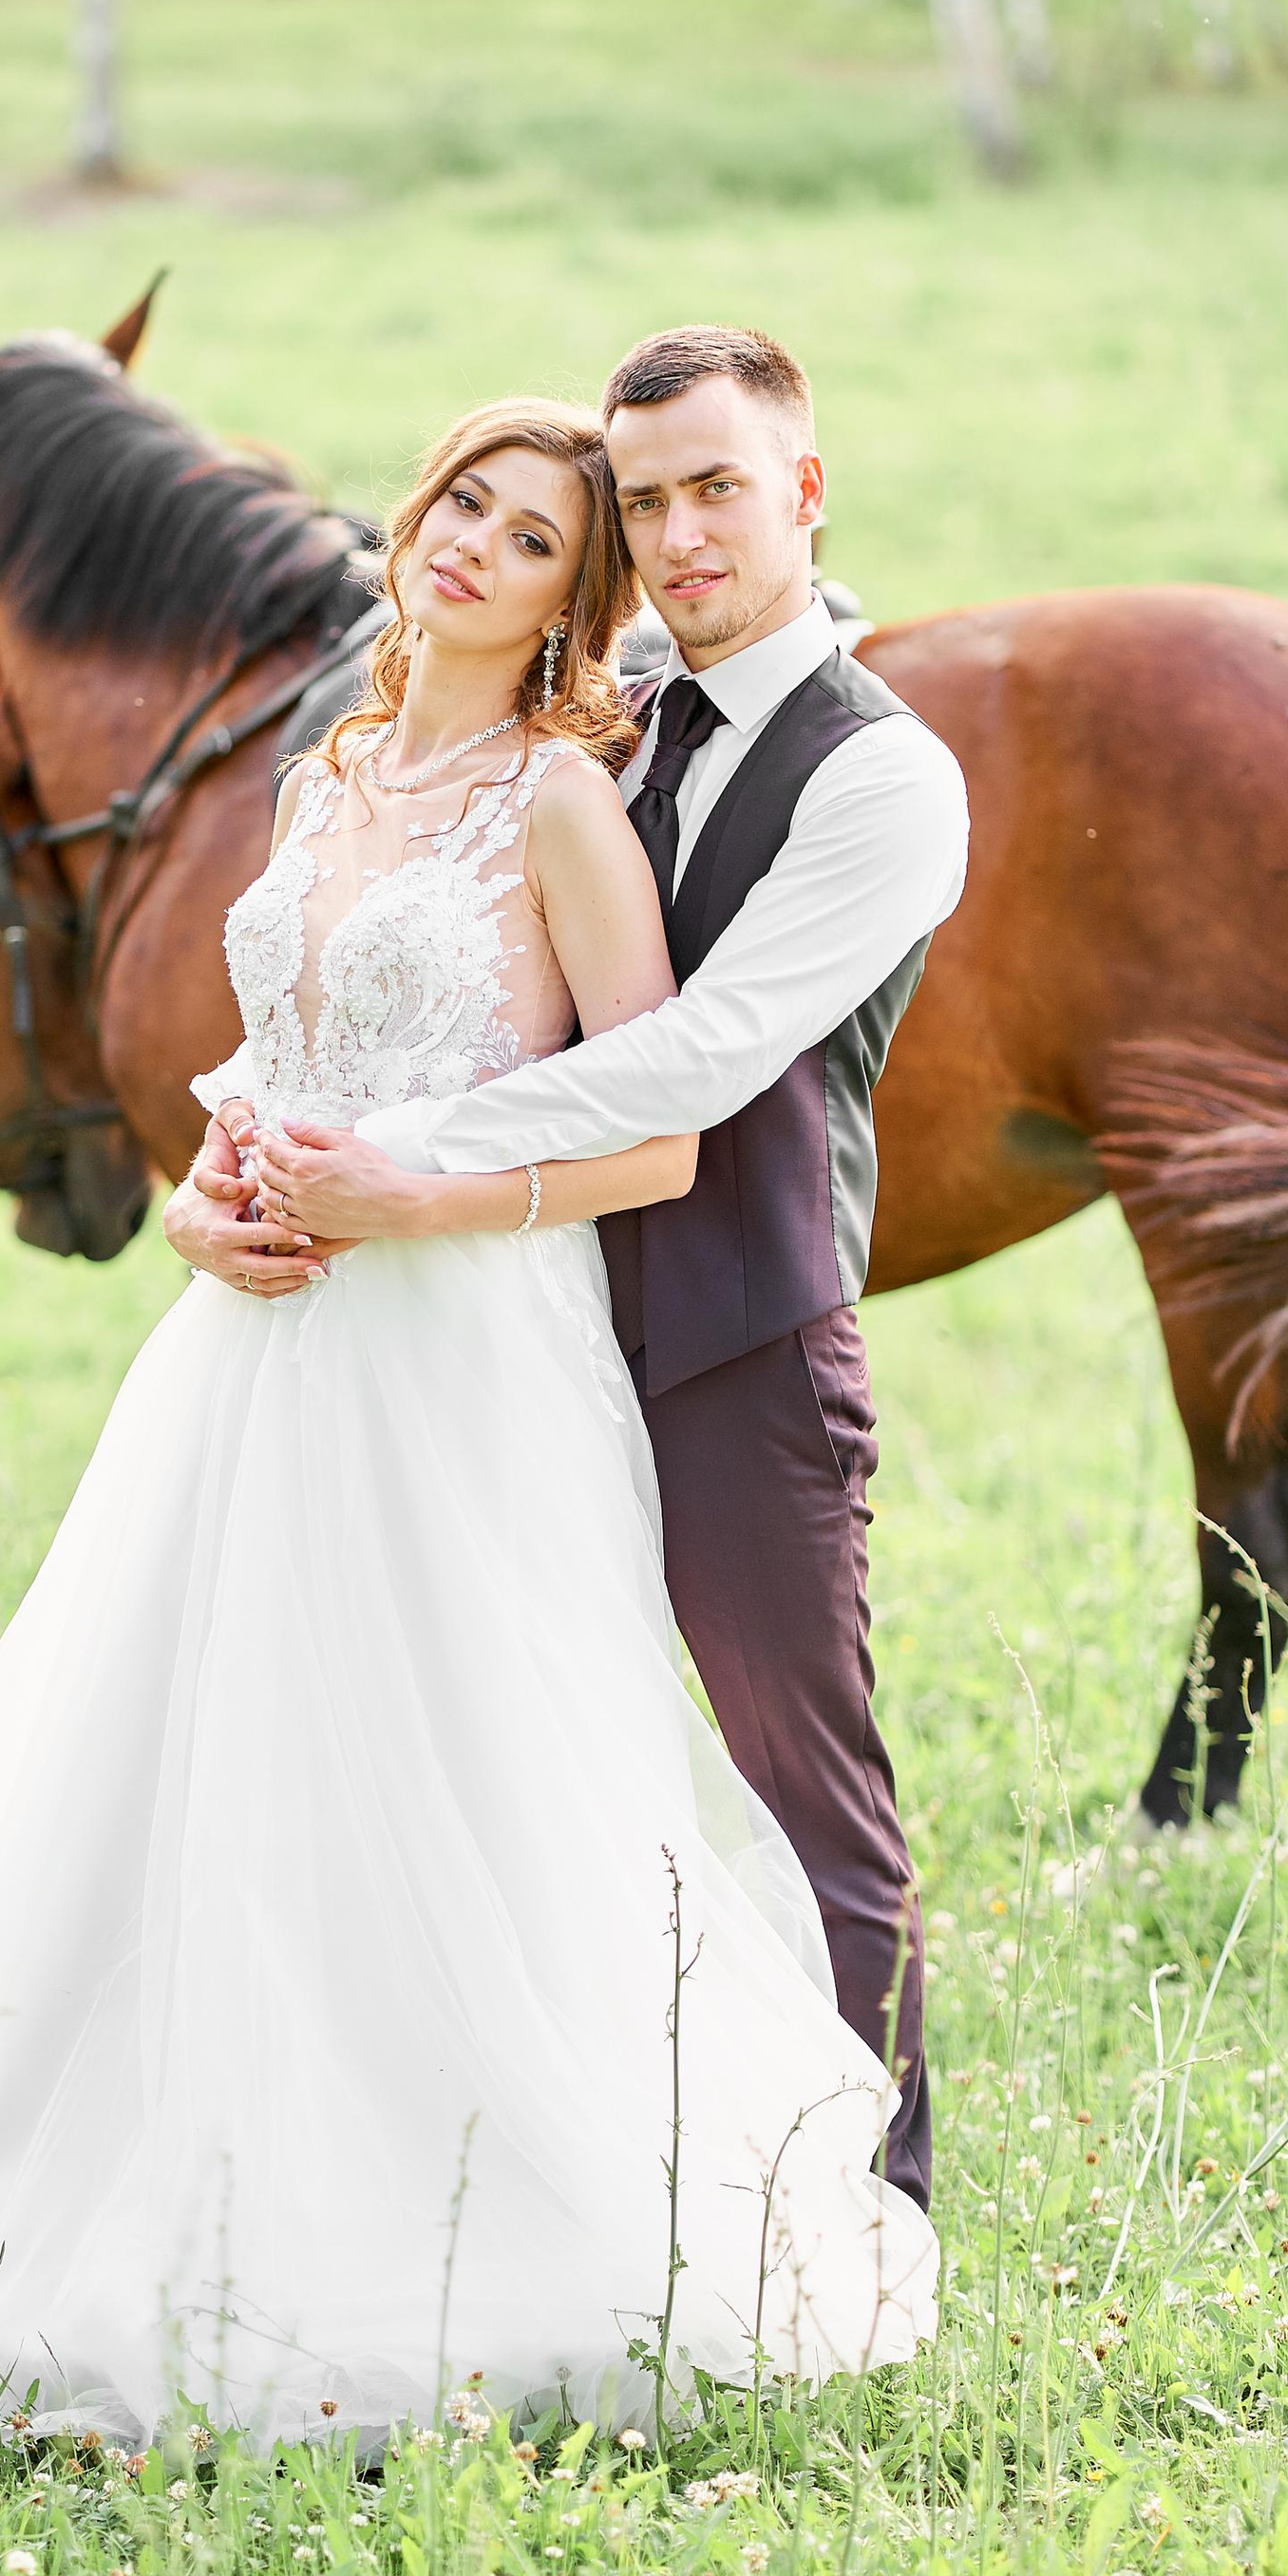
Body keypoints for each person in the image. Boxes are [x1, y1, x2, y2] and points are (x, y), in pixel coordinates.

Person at [0, 396, 937, 2443]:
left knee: (451, 1762)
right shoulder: (323, 780)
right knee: (189, 1745)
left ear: (577, 605)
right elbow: (272, 1054)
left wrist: (414, 1191)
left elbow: (654, 1139)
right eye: (459, 508)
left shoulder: (563, 808)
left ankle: (462, 2212)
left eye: (533, 542)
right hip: (256, 1353)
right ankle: (139, 2178)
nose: (474, 550)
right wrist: (219, 1195)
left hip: (461, 1347)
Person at [236, 329, 969, 2209]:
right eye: (646, 502)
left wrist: (385, 1163)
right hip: (505, 1327)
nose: (681, 528)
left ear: (801, 488)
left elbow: (696, 1060)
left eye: (718, 485)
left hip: (733, 1332)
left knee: (794, 1775)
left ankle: (874, 2196)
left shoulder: (883, 783)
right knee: (489, 1737)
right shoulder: (610, 713)